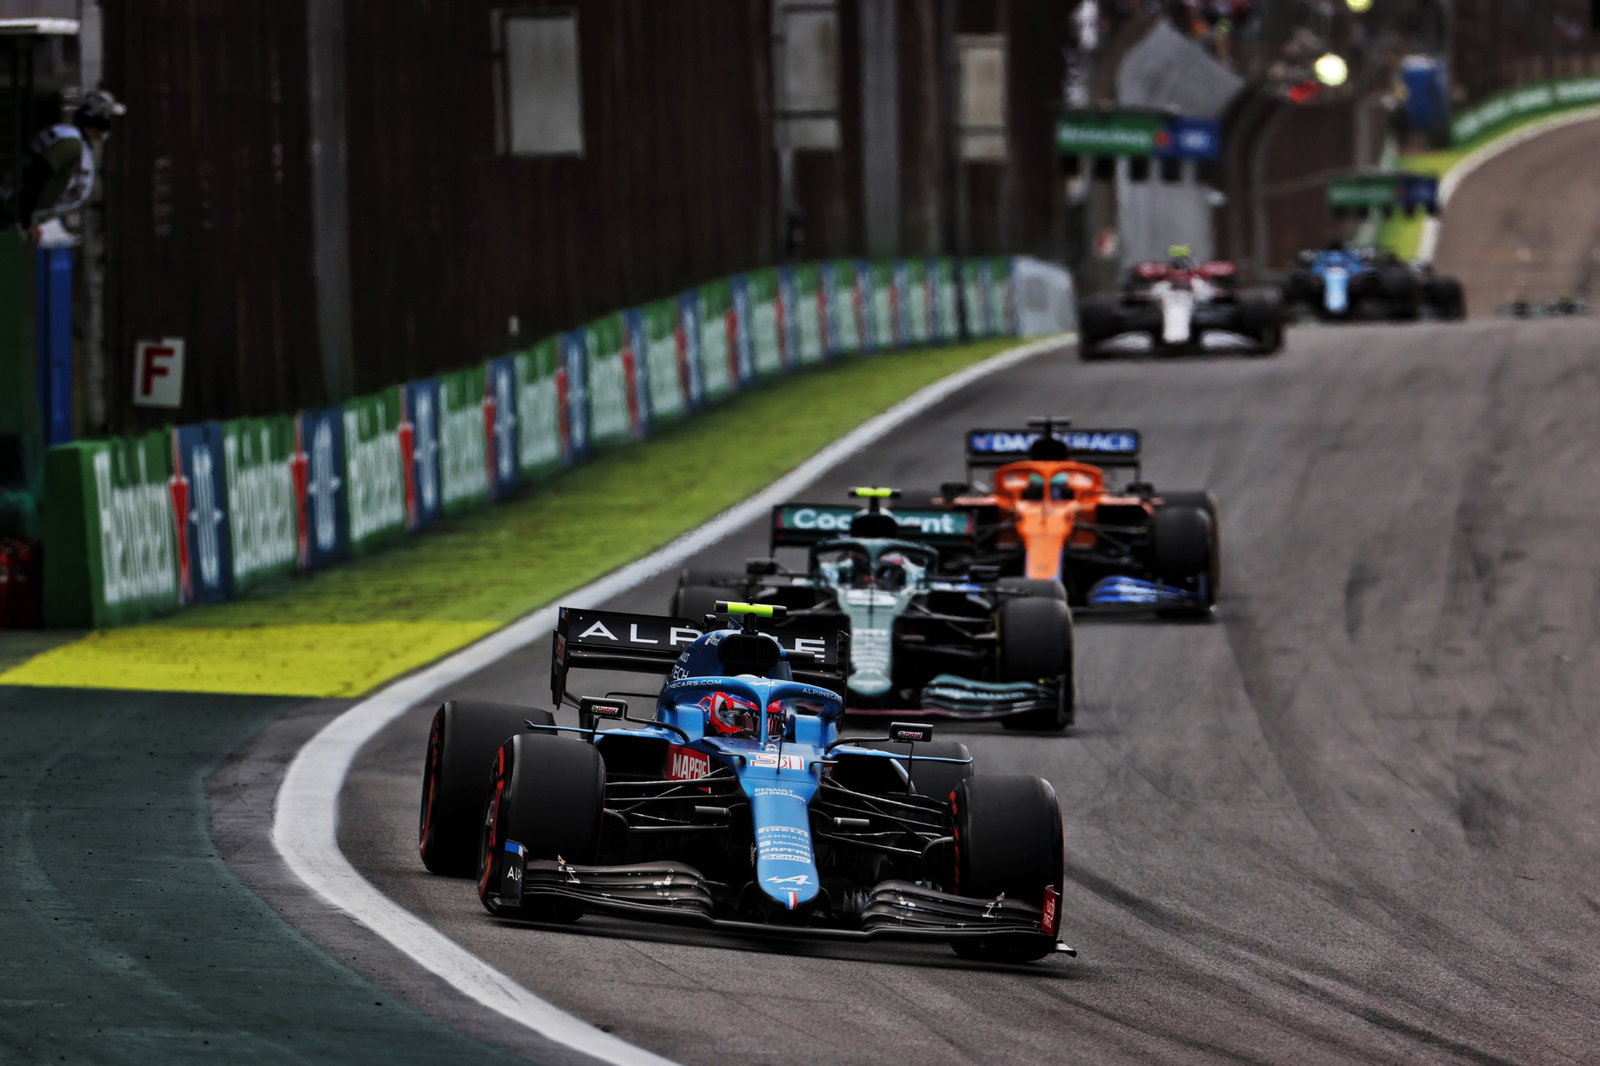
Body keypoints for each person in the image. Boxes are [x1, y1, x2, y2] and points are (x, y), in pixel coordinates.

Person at [8, 89, 126, 247]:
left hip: (17, 208)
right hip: (13, 210)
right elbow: (38, 174)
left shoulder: (68, 136)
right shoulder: (71, 144)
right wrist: (26, 221)